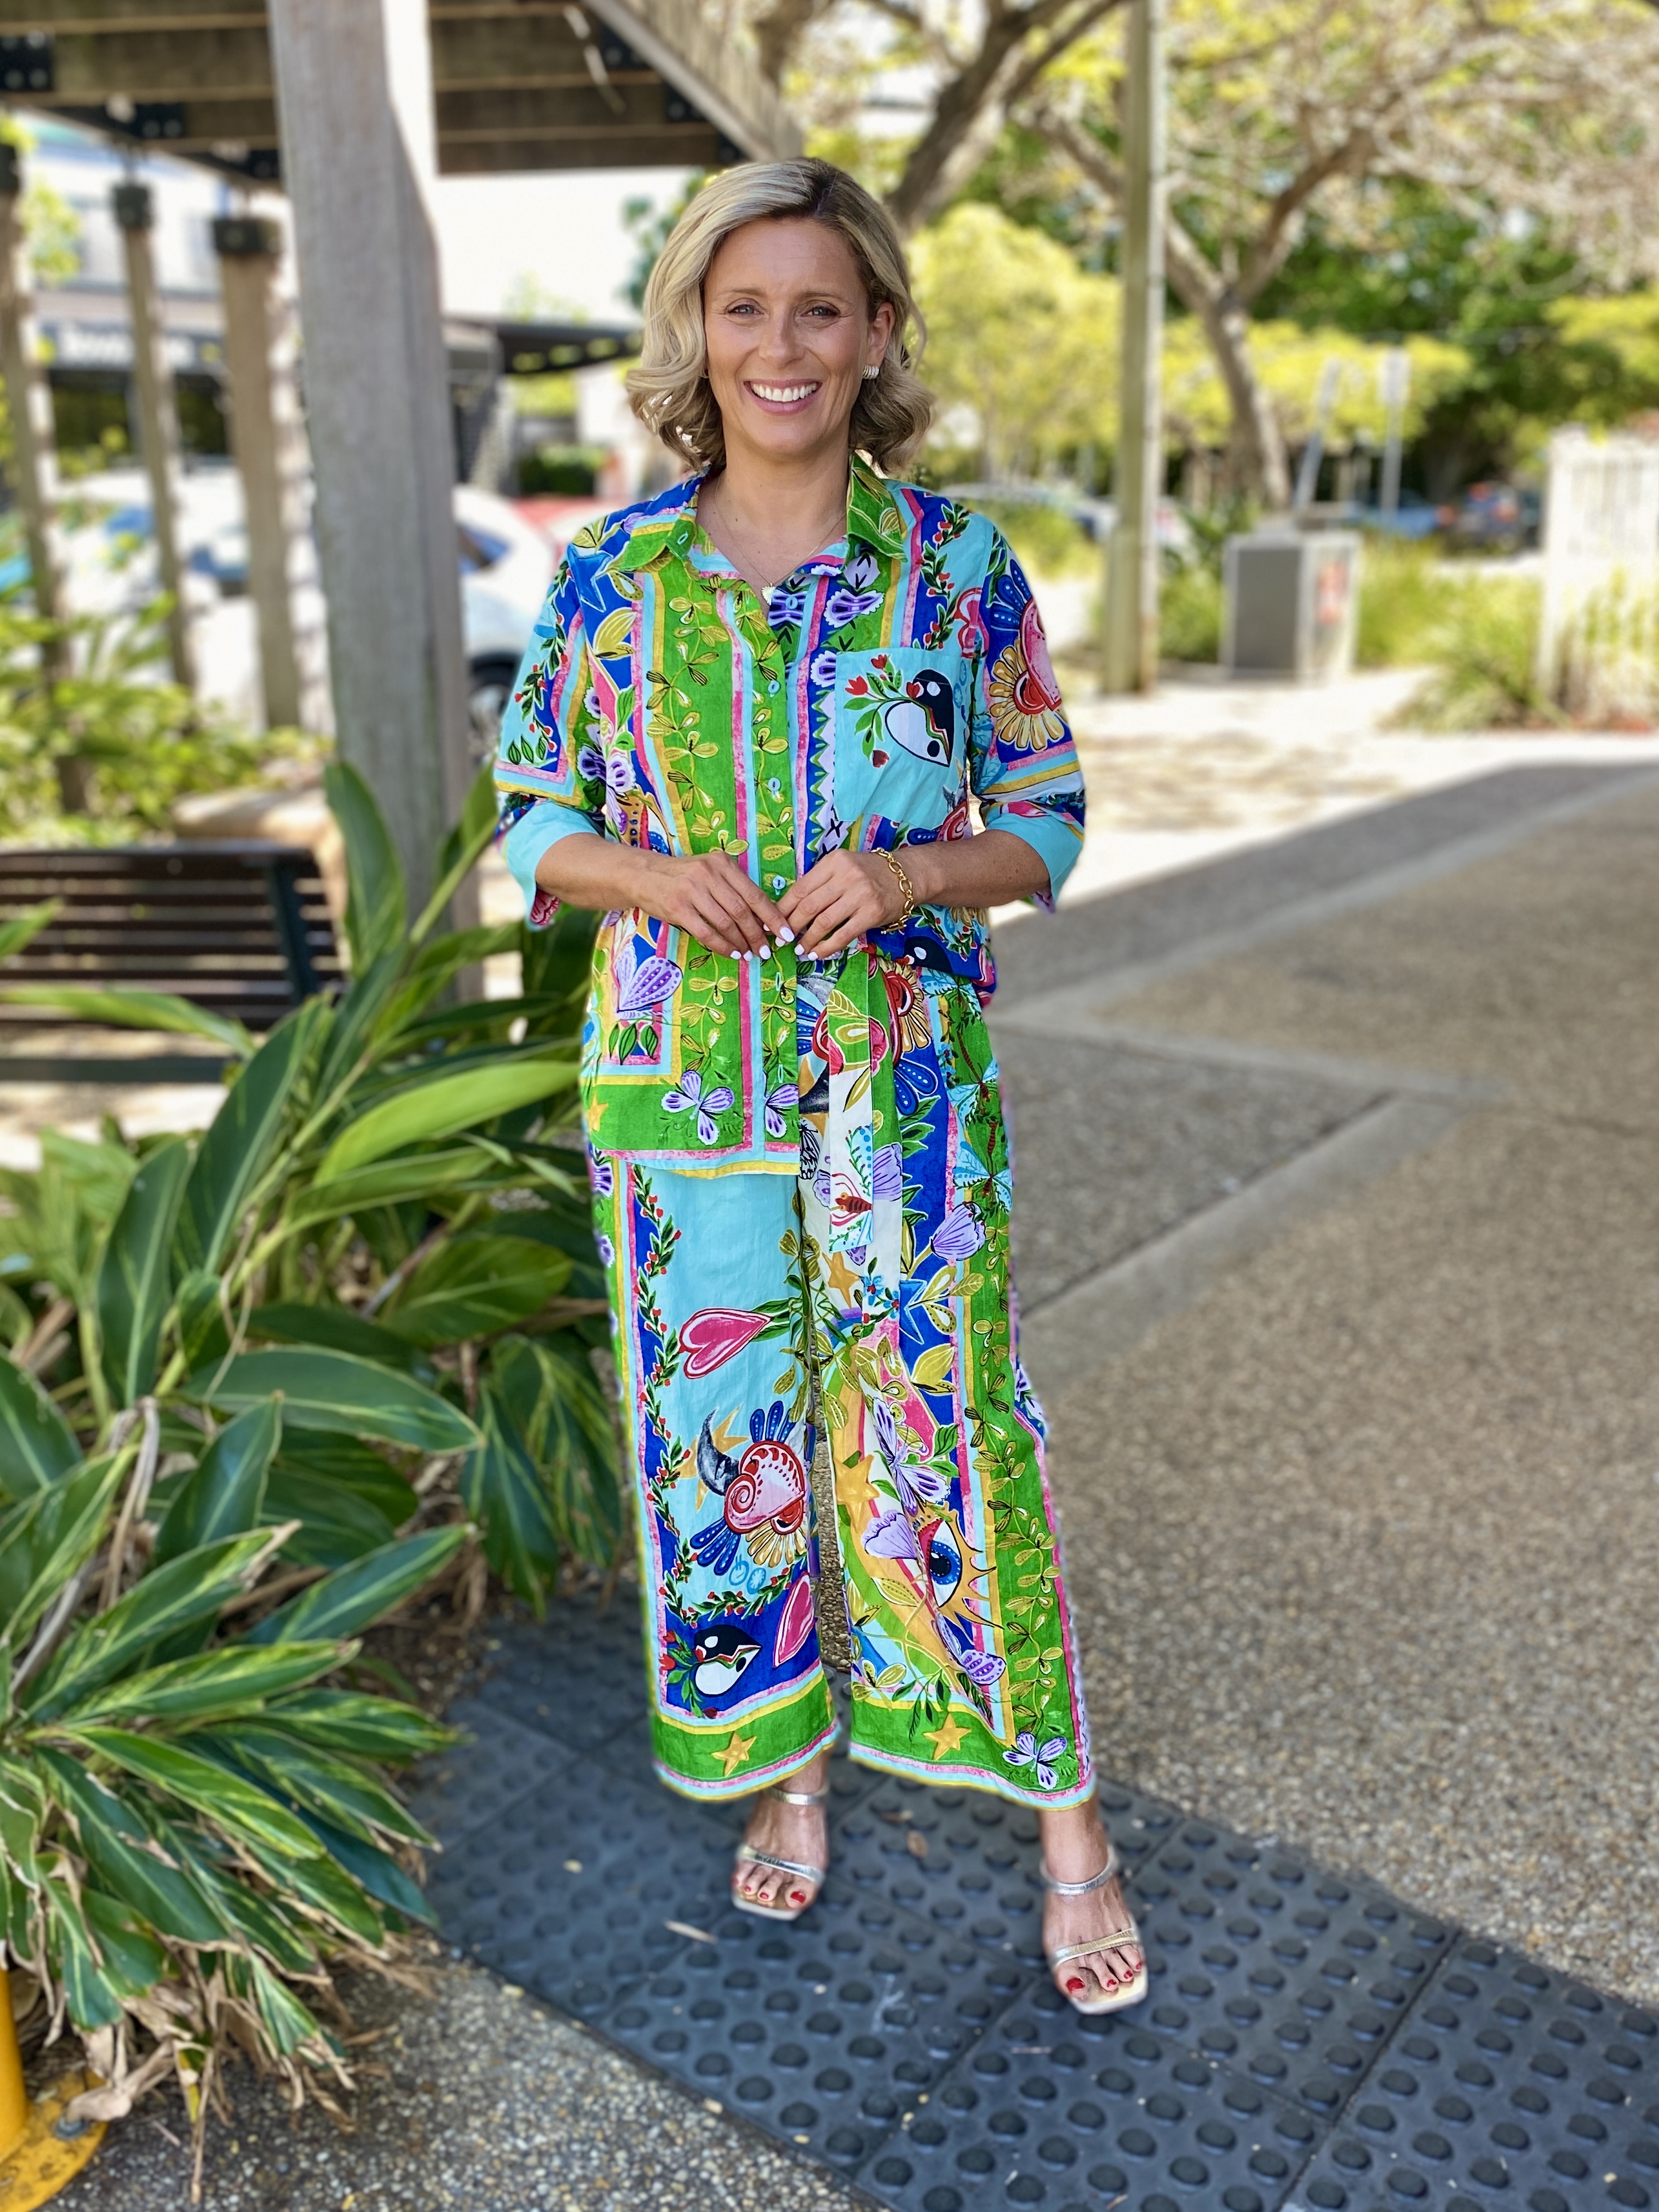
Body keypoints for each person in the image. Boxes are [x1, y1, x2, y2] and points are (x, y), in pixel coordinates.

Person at [494, 157, 1145, 2015]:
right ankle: (787, 1765)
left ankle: (1068, 1830)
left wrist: (911, 871)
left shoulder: (958, 568)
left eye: (818, 307)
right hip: (681, 1090)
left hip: (899, 1095)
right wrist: (649, 876)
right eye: (743, 306)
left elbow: (1045, 813)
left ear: (875, 335)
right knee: (728, 1433)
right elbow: (532, 815)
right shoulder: (611, 576)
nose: (779, 343)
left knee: (948, 1418)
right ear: (697, 332)